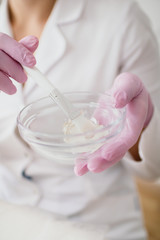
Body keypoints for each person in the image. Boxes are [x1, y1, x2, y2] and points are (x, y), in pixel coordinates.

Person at [0, 0, 160, 239]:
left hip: (102, 226)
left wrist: (142, 126)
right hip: (12, 220)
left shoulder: (122, 18)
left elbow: (154, 168)